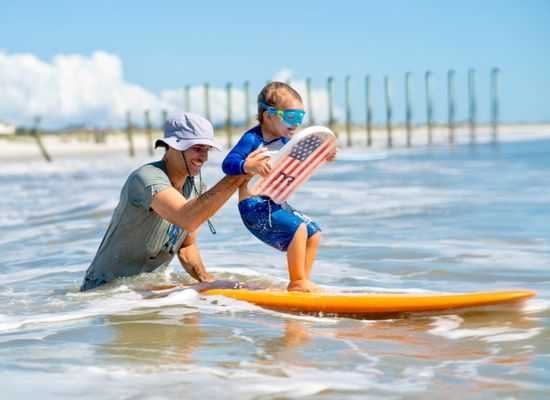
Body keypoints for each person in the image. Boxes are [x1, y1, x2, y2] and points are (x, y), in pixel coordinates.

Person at [80, 113, 265, 291]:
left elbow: (186, 245)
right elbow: (185, 217)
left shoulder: (197, 184)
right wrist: (238, 174)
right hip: (105, 287)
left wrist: (206, 281)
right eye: (197, 148)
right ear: (173, 146)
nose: (204, 157)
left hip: (142, 287)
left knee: (192, 315)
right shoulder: (146, 178)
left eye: (207, 150)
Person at [222, 82, 336, 293]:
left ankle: (303, 280)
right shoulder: (252, 139)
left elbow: (302, 164)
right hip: (253, 205)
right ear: (268, 116)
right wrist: (249, 164)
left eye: (301, 116)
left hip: (275, 202)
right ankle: (297, 282)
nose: (297, 123)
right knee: (298, 229)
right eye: (291, 117)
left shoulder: (286, 143)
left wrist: (324, 154)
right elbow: (227, 164)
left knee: (313, 232)